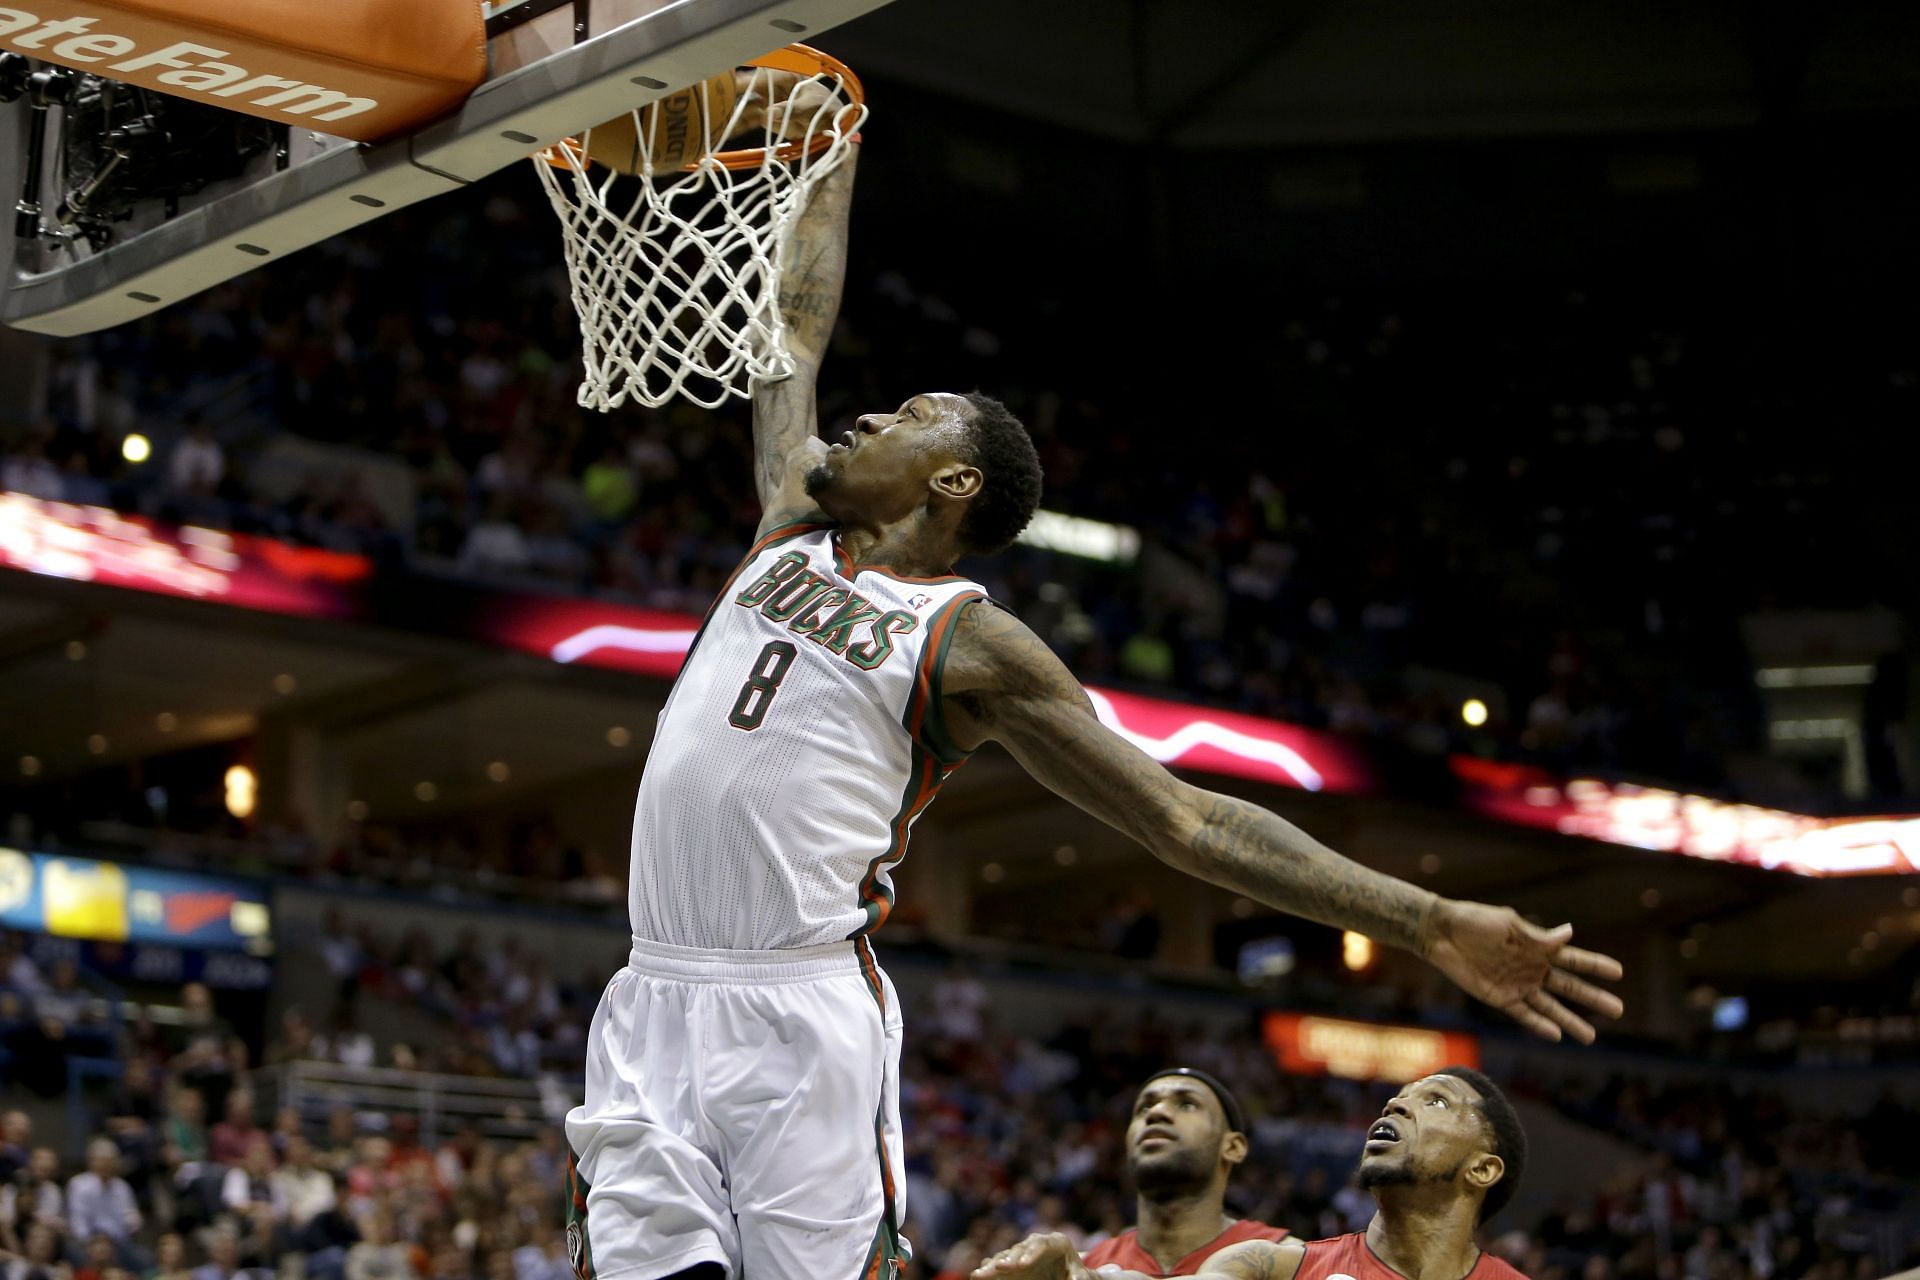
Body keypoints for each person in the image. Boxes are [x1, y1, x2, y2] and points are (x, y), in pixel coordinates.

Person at [565, 123, 1624, 1280]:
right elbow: (789, 335)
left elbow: (1186, 819)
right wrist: (830, 149)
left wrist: (1422, 918)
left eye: (907, 416)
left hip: (798, 1016)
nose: (865, 421)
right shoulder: (790, 517)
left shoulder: (971, 641)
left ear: (953, 481)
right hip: (650, 991)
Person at [973, 1067, 1528, 1280]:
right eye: (1397, 1096)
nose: (1394, 1106)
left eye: (1434, 1103)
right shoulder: (1274, 1265)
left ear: (1482, 1168)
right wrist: (1078, 1273)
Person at [1079, 1070, 1290, 1276]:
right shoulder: (1085, 1269)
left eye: (1187, 1104)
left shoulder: (1288, 1261)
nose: (1156, 1112)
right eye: (1144, 1108)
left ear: (1233, 1147)